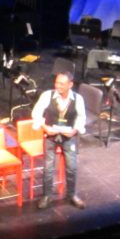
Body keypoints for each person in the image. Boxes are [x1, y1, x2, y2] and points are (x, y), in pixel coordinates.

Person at [32, 71, 86, 209]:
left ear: (70, 85)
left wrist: (74, 130)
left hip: (68, 136)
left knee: (72, 167)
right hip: (51, 134)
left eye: (62, 84)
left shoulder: (78, 99)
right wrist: (44, 127)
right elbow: (36, 113)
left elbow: (81, 117)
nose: (58, 86)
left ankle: (71, 195)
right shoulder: (47, 95)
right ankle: (47, 195)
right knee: (48, 167)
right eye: (57, 82)